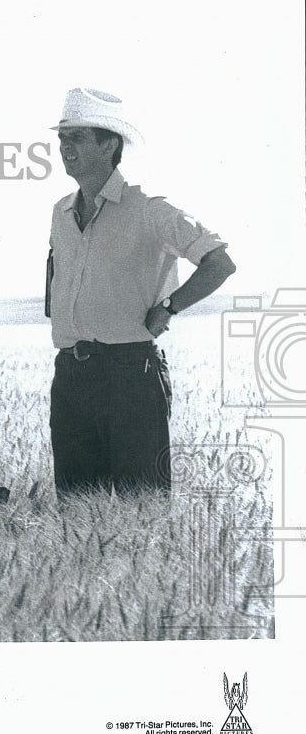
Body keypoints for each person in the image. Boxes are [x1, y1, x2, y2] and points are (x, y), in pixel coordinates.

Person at [47, 88, 236, 499]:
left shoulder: (149, 209)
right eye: (62, 138)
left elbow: (219, 262)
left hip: (130, 374)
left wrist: (170, 306)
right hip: (71, 375)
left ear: (109, 144)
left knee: (142, 506)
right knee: (76, 508)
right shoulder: (61, 212)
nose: (64, 147)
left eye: (77, 138)